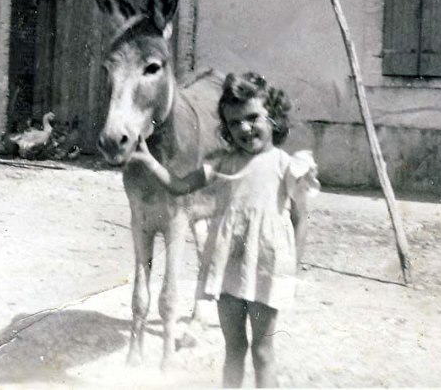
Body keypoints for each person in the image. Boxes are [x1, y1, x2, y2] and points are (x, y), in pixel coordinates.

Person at [129, 72, 320, 388]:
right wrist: (150, 162)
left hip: (267, 270)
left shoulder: (287, 165)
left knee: (262, 350)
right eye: (234, 123)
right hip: (227, 268)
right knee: (233, 349)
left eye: (253, 118)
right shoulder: (221, 163)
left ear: (272, 115)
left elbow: (300, 217)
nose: (244, 128)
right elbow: (179, 186)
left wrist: (291, 269)